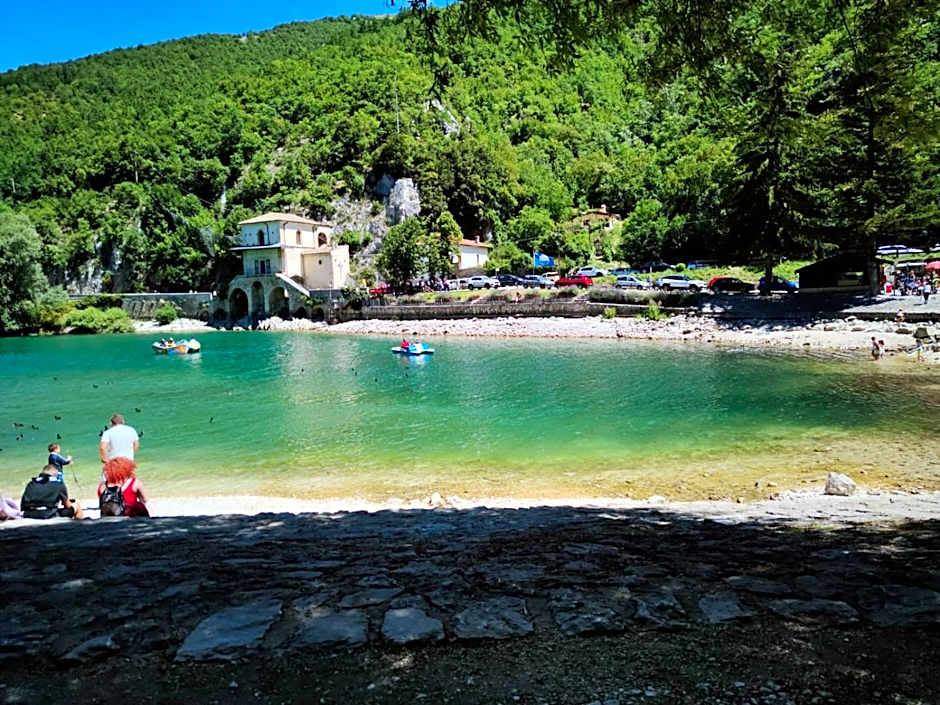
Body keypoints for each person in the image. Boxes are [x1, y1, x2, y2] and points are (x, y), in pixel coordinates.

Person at [20, 465, 84, 520]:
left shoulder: (31, 483)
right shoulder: (59, 484)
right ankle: (78, 525)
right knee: (76, 506)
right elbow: (68, 506)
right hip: (48, 514)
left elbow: (23, 504)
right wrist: (74, 502)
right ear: (55, 475)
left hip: (27, 514)